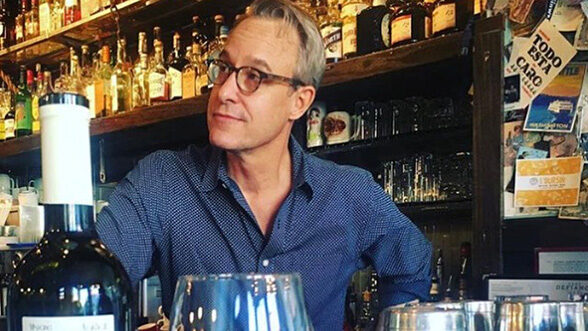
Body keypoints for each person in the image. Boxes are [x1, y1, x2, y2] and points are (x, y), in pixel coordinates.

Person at [95, 0, 432, 328]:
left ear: (299, 102)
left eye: (253, 76)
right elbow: (93, 278)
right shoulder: (163, 182)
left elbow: (412, 263)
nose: (225, 91)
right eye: (224, 68)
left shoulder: (348, 193)